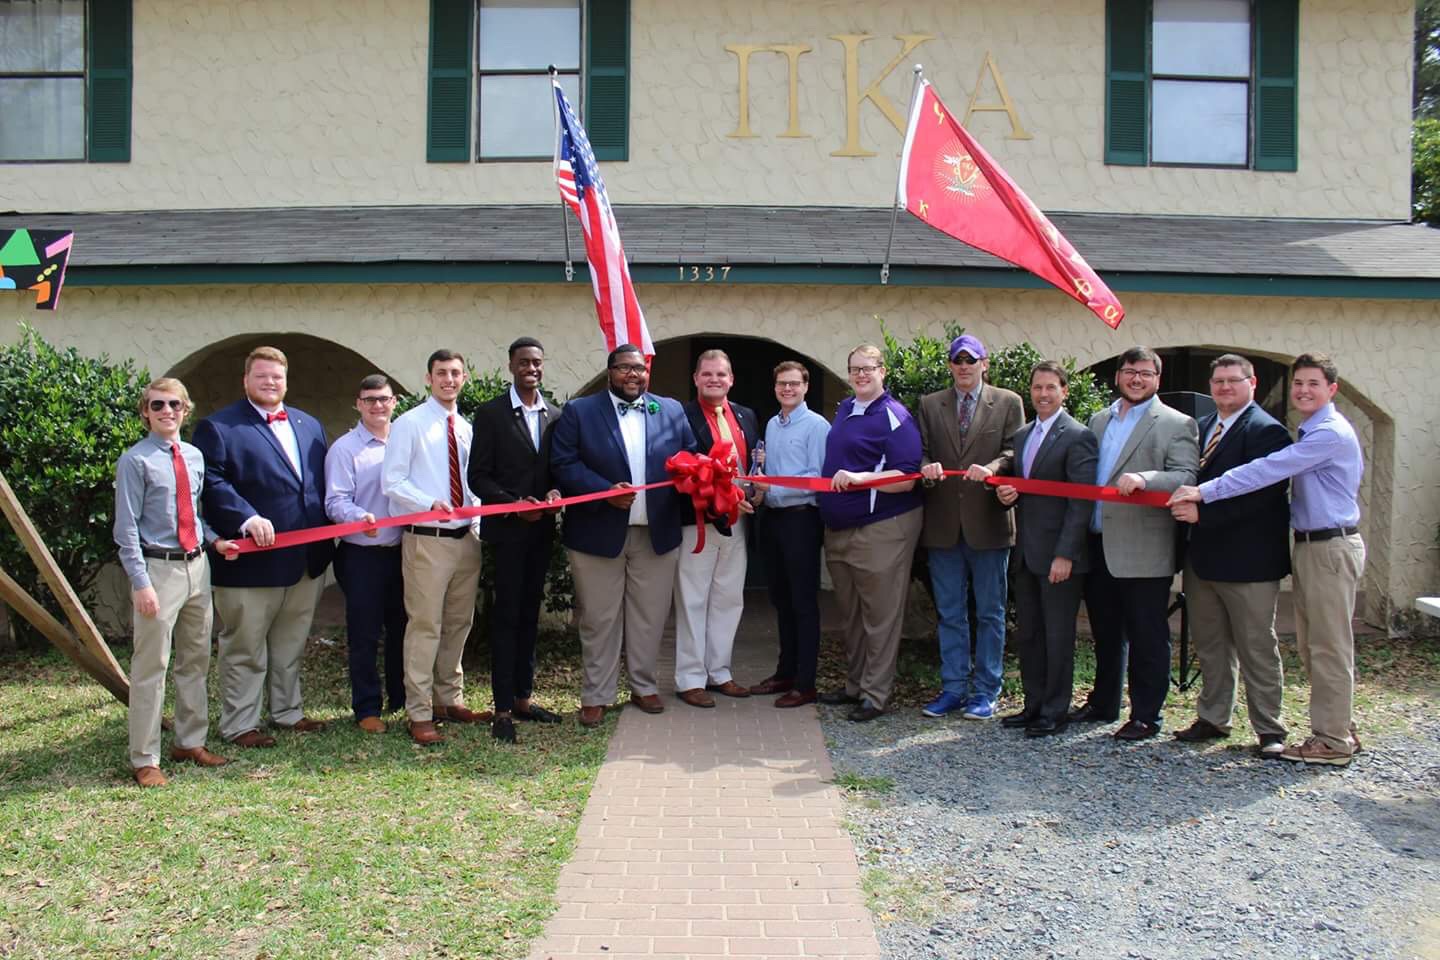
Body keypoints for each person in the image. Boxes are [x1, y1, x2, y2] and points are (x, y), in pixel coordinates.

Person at [1170, 352, 1365, 766]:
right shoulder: (1214, 427)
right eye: (1298, 384)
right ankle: (1333, 728)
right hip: (1303, 545)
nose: (1303, 391)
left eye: (1314, 384)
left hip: (1309, 549)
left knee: (1316, 647)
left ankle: (1315, 737)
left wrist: (1205, 498)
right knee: (1313, 646)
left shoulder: (1313, 433)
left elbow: (1264, 478)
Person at [195, 346, 334, 748]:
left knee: (290, 643)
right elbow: (214, 483)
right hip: (251, 563)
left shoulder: (310, 425)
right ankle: (240, 724)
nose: (270, 382)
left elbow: (315, 485)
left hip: (304, 560)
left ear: (286, 381)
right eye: (261, 376)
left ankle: (288, 713)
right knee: (245, 646)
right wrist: (246, 518)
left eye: (277, 376)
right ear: (246, 380)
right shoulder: (219, 428)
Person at [550, 344, 696, 726]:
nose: (634, 375)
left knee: (650, 617)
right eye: (625, 368)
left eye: (640, 368)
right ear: (610, 371)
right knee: (600, 618)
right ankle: (597, 694)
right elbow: (563, 463)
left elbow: (689, 460)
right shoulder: (580, 411)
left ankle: (645, 687)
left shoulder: (671, 410)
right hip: (598, 534)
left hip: (656, 534)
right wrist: (603, 490)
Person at [115, 378, 238, 786]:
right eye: (157, 405)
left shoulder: (194, 456)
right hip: (158, 570)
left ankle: (190, 741)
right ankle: (145, 757)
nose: (167, 411)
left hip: (197, 566)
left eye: (174, 404)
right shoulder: (135, 461)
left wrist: (215, 541)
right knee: (152, 666)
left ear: (186, 410)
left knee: (196, 659)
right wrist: (141, 583)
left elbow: (194, 514)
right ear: (145, 413)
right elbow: (126, 530)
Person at [1168, 354, 1292, 757]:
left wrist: (1204, 514)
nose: (1223, 387)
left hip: (1249, 561)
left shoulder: (1268, 432)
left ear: (1251, 383)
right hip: (1203, 558)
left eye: (1233, 381)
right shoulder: (1202, 428)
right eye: (1218, 381)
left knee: (1256, 645)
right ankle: (1214, 717)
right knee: (1211, 643)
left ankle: (1270, 728)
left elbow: (1265, 496)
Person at [1073, 345, 1198, 741]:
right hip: (1099, 541)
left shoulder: (1177, 423)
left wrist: (1147, 478)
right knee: (1106, 632)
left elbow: (1186, 476)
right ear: (1118, 375)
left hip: (1144, 548)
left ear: (1158, 379)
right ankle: (1104, 702)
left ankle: (1146, 715)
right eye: (1130, 371)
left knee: (1147, 636)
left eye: (1145, 373)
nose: (1137, 378)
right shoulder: (1097, 419)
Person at [916, 334, 1024, 720]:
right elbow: (923, 451)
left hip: (989, 524)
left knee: (991, 613)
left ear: (984, 363)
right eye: (957, 360)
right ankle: (953, 688)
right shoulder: (930, 404)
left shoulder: (1009, 402)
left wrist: (994, 469)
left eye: (970, 359)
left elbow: (1016, 450)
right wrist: (927, 470)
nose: (963, 365)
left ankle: (986, 690)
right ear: (949, 365)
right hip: (943, 525)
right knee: (949, 612)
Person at [382, 349, 487, 746]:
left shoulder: (465, 427)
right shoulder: (408, 425)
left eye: (456, 373)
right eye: (441, 373)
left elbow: (473, 482)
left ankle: (449, 699)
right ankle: (420, 710)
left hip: (466, 539)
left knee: (460, 623)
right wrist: (428, 503)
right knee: (425, 625)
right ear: (428, 378)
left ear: (464, 379)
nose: (449, 379)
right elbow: (392, 481)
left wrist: (475, 521)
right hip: (428, 540)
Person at [817, 343, 924, 722]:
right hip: (841, 530)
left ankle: (875, 696)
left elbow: (907, 477)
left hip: (881, 530)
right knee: (853, 615)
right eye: (854, 369)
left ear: (883, 371)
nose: (861, 375)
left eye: (868, 368)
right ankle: (855, 685)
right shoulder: (846, 408)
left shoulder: (895, 416)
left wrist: (864, 479)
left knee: (880, 616)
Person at [992, 362, 1098, 737]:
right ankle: (1033, 705)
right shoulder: (1022, 435)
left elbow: (1081, 502)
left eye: (1051, 387)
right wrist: (1007, 494)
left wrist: (1065, 554)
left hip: (1059, 557)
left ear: (1064, 391)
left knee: (1057, 637)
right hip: (1027, 552)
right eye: (1037, 387)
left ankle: (1055, 711)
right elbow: (1025, 490)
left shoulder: (1078, 436)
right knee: (1030, 635)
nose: (1043, 394)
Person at [467, 337, 565, 744]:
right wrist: (512, 505)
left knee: (530, 616)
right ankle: (502, 709)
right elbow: (479, 477)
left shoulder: (555, 415)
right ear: (510, 365)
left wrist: (558, 492)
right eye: (524, 361)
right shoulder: (490, 414)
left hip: (541, 532)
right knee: (506, 618)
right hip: (507, 533)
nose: (531, 368)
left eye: (537, 362)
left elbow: (558, 468)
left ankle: (524, 698)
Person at [673, 349, 762, 708]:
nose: (714, 380)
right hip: (698, 522)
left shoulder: (746, 415)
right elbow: (685, 469)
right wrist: (723, 498)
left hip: (738, 522)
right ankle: (690, 678)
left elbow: (750, 463)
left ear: (731, 379)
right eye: (707, 374)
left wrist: (754, 490)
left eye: (721, 374)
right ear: (695, 378)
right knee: (693, 599)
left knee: (728, 598)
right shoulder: (681, 416)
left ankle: (719, 672)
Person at [324, 374, 407, 734]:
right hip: (362, 555)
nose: (377, 405)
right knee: (365, 633)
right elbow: (335, 501)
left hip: (404, 551)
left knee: (403, 629)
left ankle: (401, 699)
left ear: (394, 403)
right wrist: (358, 518)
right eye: (370, 399)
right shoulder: (345, 449)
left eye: (384, 399)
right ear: (358, 404)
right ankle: (367, 708)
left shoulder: (404, 442)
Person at [749, 361, 830, 708]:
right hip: (774, 518)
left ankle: (805, 683)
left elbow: (816, 476)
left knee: (803, 603)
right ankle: (785, 671)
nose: (788, 389)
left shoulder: (816, 426)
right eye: (782, 384)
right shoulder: (772, 423)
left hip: (802, 520)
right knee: (781, 600)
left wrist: (773, 489)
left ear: (805, 387)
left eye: (794, 384)